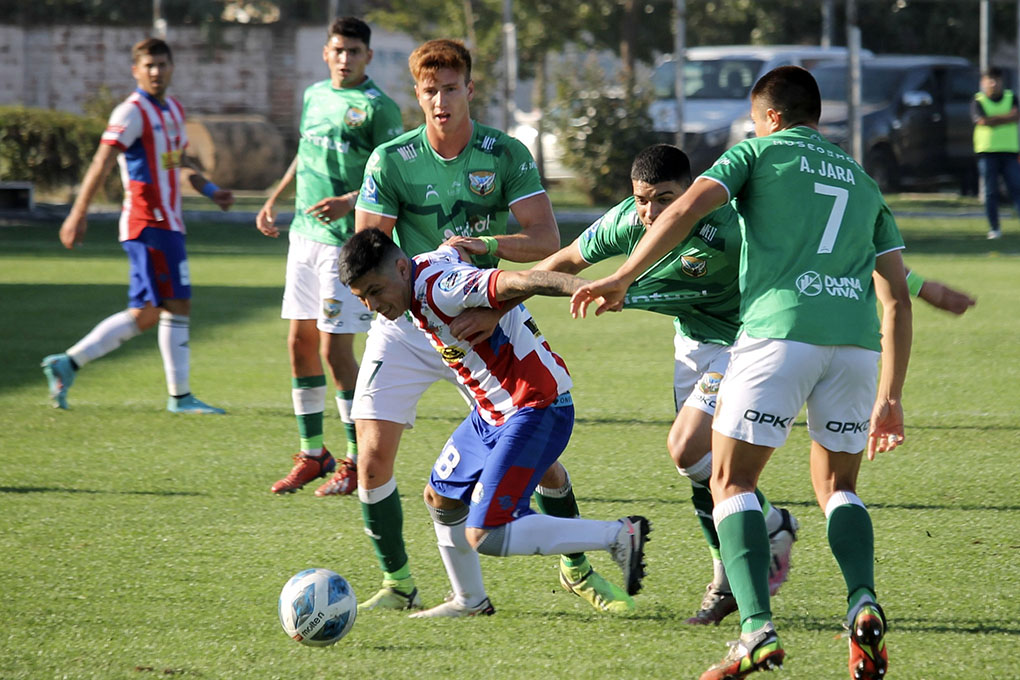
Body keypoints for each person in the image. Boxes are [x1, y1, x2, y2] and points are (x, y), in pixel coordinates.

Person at [534, 143, 974, 628]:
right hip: (693, 343)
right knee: (699, 469)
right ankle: (736, 566)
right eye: (643, 199)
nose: (652, 211)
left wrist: (923, 287)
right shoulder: (624, 223)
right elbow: (566, 260)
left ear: (687, 191)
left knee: (686, 449)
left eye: (665, 198)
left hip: (751, 341)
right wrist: (492, 296)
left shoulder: (732, 221)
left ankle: (757, 557)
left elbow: (837, 252)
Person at [572, 67, 911, 680]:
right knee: (838, 488)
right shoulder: (863, 180)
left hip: (778, 334)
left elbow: (682, 212)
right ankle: (862, 600)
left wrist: (623, 276)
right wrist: (891, 396)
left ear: (772, 117)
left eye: (756, 119)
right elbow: (897, 299)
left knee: (731, 481)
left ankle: (754, 630)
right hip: (858, 348)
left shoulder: (755, 153)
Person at [351, 38, 628, 615]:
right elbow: (369, 254)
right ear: (418, 95)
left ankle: (577, 565)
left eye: (451, 89)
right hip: (410, 320)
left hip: (483, 317)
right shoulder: (391, 160)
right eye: (430, 91)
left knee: (538, 454)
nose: (440, 101)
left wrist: (488, 248)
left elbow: (546, 242)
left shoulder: (504, 153)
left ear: (469, 89)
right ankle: (401, 581)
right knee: (372, 456)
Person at [339, 228, 650, 616]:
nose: (372, 304)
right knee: (442, 498)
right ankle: (469, 601)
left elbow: (525, 280)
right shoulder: (419, 278)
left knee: (486, 533)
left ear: (402, 269)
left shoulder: (442, 287)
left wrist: (588, 288)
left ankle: (620, 535)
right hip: (492, 413)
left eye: (375, 290)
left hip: (536, 406)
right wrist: (455, 245)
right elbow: (450, 252)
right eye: (363, 297)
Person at [43, 38, 233, 414]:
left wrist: (211, 190)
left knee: (147, 312)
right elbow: (101, 162)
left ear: (172, 67)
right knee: (178, 303)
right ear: (136, 71)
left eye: (162, 64)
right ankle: (180, 398)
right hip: (148, 222)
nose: (156, 72)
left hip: (168, 222)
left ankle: (67, 363)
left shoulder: (174, 111)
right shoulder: (130, 112)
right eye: (149, 66)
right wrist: (76, 214)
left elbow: (178, 164)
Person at [256, 17, 403, 496]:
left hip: (346, 244)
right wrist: (274, 196)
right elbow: (306, 152)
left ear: (368, 57)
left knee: (334, 350)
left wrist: (350, 199)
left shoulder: (378, 108)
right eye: (338, 50)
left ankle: (356, 459)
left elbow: (395, 172)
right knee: (299, 344)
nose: (345, 58)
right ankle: (312, 453)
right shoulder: (315, 95)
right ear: (326, 53)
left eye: (354, 51)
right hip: (303, 236)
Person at [973, 66, 1020, 240]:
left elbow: (1016, 116)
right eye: (989, 79)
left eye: (996, 79)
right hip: (987, 152)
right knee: (991, 192)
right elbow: (982, 121)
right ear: (983, 82)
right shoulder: (978, 100)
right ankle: (994, 228)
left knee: (1016, 188)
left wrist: (994, 120)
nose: (993, 83)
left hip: (1009, 151)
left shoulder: (1011, 97)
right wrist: (1005, 117)